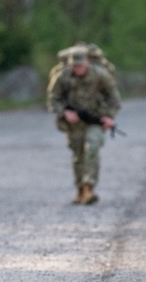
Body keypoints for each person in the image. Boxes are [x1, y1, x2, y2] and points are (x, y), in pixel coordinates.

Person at [47, 45, 121, 205]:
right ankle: (80, 189)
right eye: (75, 65)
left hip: (96, 118)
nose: (78, 68)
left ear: (87, 62)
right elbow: (53, 98)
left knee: (92, 148)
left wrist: (109, 117)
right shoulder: (63, 76)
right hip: (74, 123)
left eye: (80, 65)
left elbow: (113, 97)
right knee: (78, 154)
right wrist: (64, 112)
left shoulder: (100, 75)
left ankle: (89, 187)